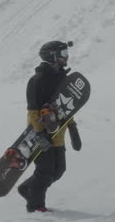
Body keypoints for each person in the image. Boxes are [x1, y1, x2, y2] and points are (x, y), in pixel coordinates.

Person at [17, 40, 82, 212]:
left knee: (59, 170)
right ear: (52, 56)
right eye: (63, 55)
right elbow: (33, 111)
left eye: (66, 54)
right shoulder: (37, 80)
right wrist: (39, 135)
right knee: (45, 171)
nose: (66, 58)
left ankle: (26, 189)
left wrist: (73, 128)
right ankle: (36, 206)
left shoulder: (63, 79)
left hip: (58, 133)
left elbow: (66, 107)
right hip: (40, 134)